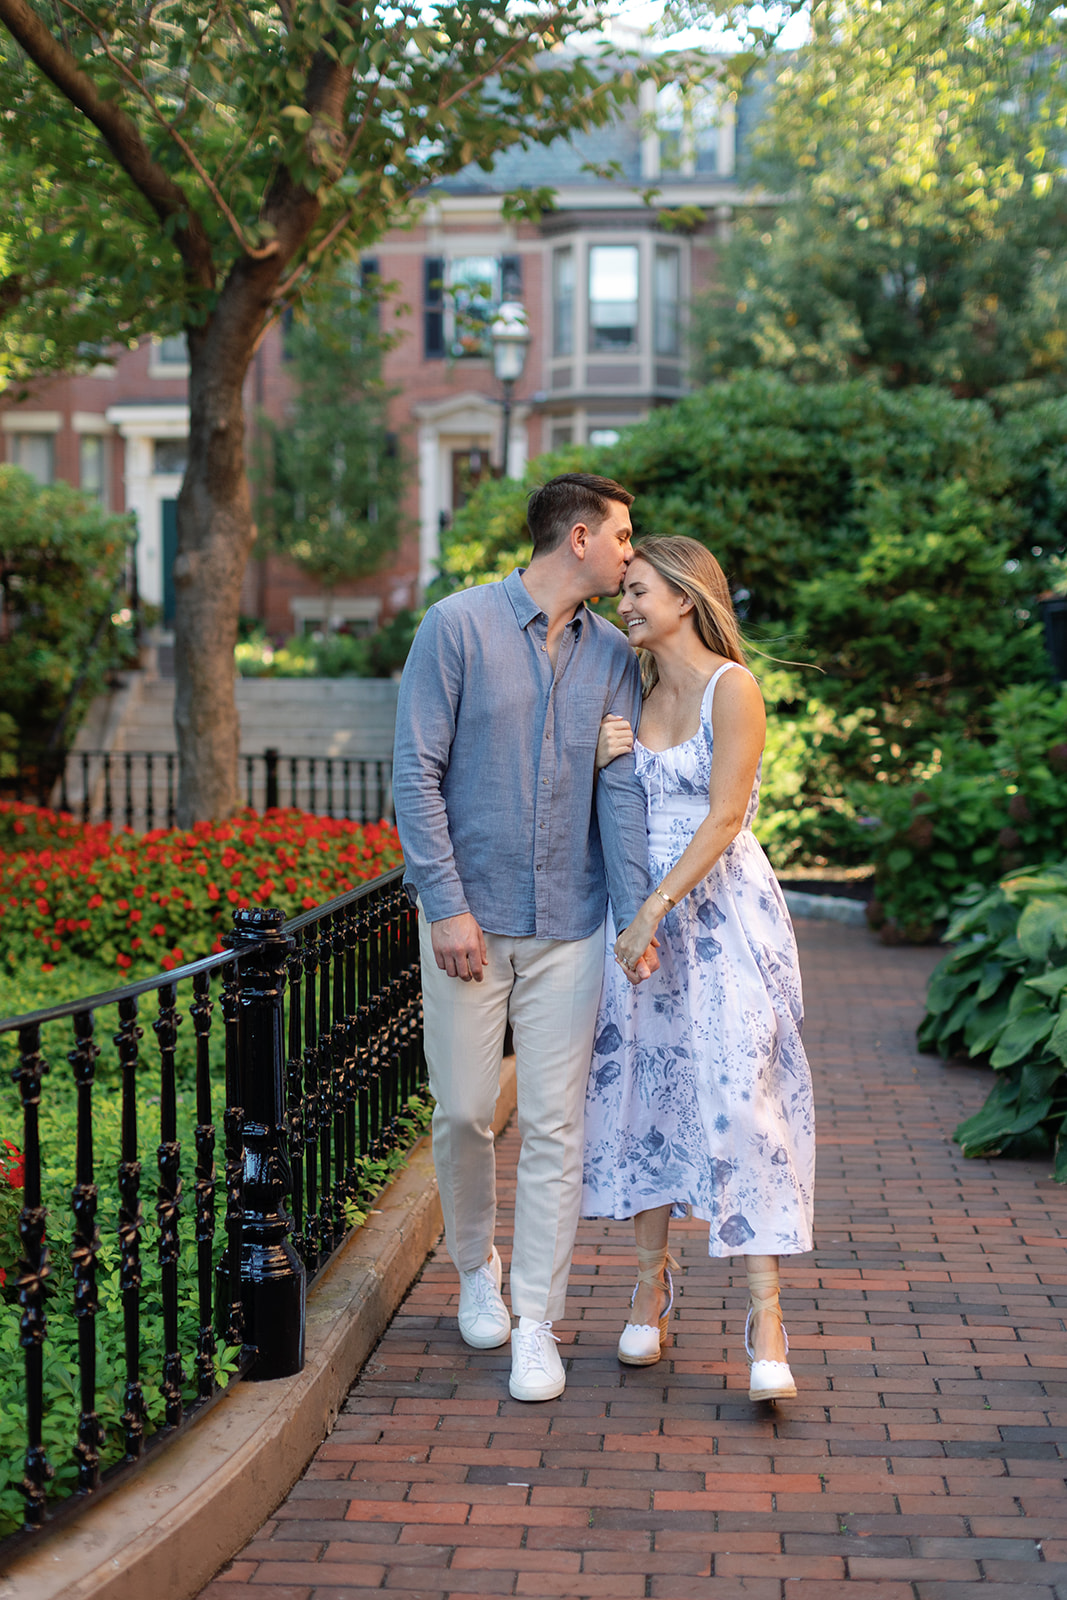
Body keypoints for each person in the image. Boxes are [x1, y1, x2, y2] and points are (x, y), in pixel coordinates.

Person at [393, 473, 658, 1404]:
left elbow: (618, 792)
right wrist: (445, 906)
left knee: (555, 1124)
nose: (632, 552)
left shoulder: (614, 656)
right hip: (473, 920)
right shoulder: (456, 627)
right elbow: (414, 773)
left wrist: (633, 915)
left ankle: (536, 1322)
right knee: (464, 1112)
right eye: (623, 536)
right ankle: (477, 1268)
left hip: (571, 924)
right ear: (578, 537)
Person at [582, 535, 815, 1403]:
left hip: (713, 918)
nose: (624, 605)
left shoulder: (733, 688)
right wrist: (607, 759)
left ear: (684, 597)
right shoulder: (629, 692)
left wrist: (650, 909)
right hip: (644, 926)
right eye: (621, 593)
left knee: (738, 1098)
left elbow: (722, 819)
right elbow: (614, 810)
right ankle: (650, 1283)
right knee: (647, 1091)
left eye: (637, 590)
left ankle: (765, 1316)